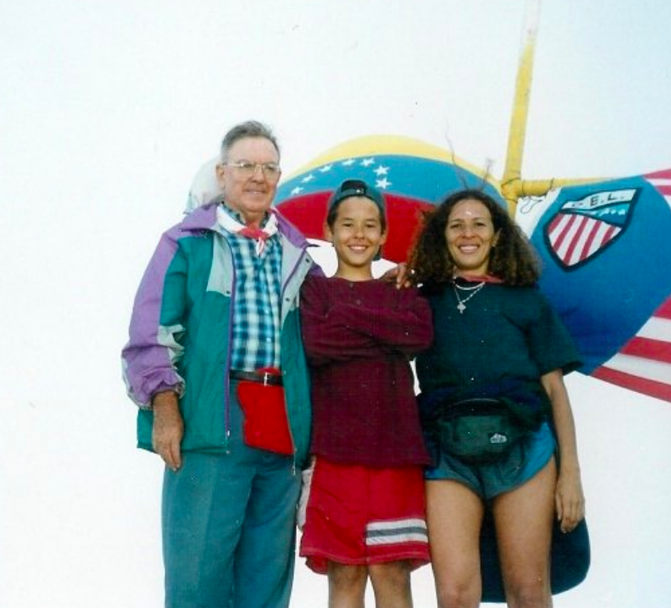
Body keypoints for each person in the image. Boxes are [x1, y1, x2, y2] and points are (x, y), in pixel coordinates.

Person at [121, 120, 321, 608]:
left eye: (269, 168)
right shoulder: (187, 243)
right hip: (213, 417)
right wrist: (164, 408)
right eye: (246, 165)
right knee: (197, 578)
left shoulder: (298, 254)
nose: (258, 176)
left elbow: (329, 331)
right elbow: (151, 335)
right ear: (222, 173)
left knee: (266, 579)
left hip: (283, 425)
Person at [407, 189, 586, 608]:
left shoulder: (528, 299)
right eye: (457, 225)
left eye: (479, 224)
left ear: (497, 235)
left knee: (528, 591)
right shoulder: (420, 301)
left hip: (524, 451)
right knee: (454, 595)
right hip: (446, 454)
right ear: (442, 235)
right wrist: (393, 281)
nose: (468, 233)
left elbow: (556, 391)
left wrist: (571, 474)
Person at [298, 179, 434, 608]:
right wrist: (384, 331)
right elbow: (317, 343)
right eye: (348, 224)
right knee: (345, 573)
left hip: (395, 451)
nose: (359, 234)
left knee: (392, 573)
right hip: (334, 452)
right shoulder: (315, 289)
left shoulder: (401, 289)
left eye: (370, 225)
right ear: (329, 230)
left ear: (383, 234)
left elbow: (417, 335)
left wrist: (346, 317)